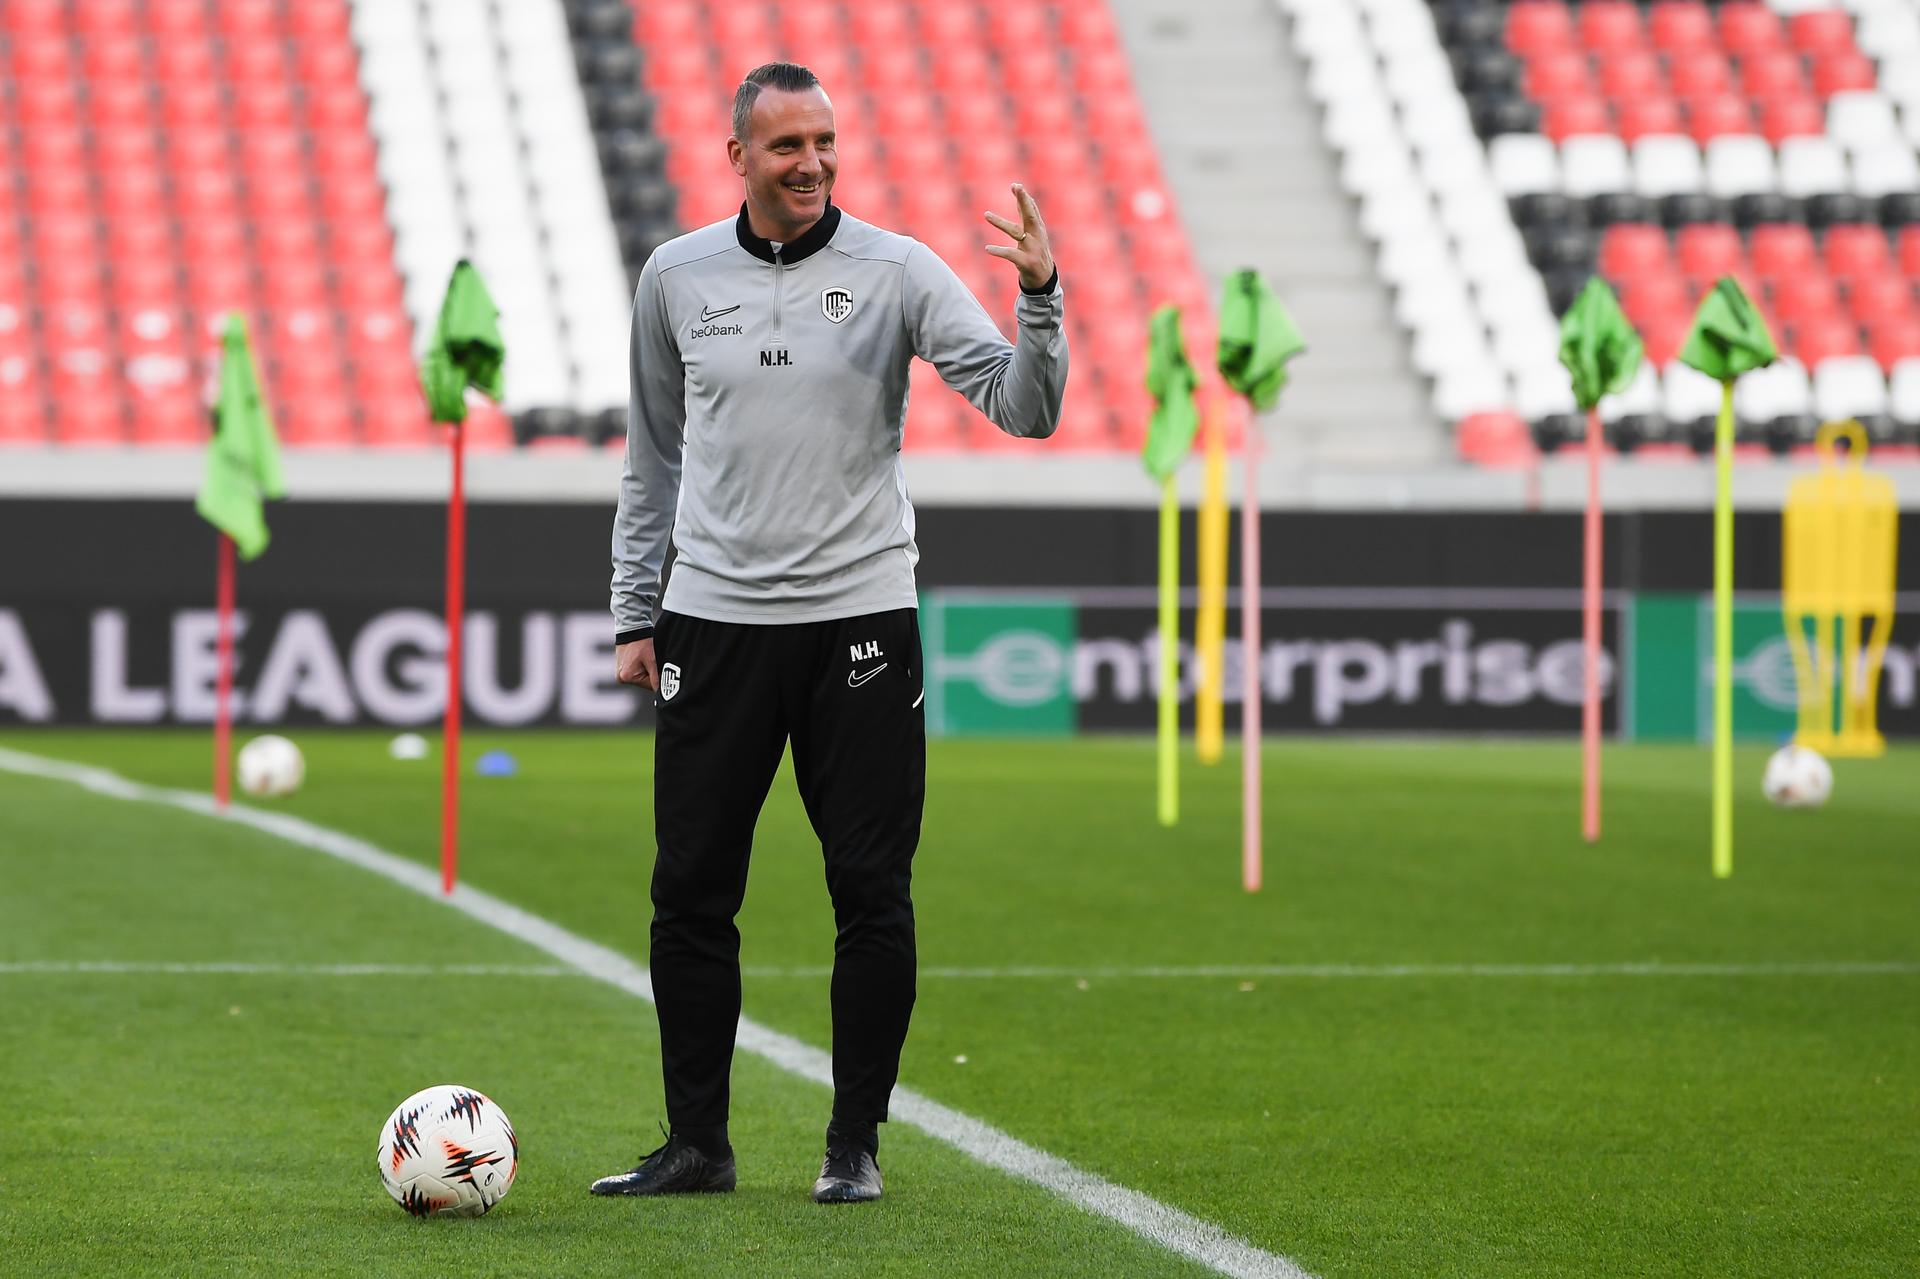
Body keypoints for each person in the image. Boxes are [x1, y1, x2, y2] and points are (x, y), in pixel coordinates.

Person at [595, 62, 1067, 1205]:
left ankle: (853, 1143)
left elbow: (1027, 407)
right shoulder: (674, 277)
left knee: (872, 889)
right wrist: (634, 606)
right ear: (738, 157)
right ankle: (697, 1146)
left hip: (860, 618)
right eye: (785, 146)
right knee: (690, 892)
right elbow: (653, 456)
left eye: (824, 142)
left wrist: (1042, 300)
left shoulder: (899, 271)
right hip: (712, 623)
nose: (810, 164)